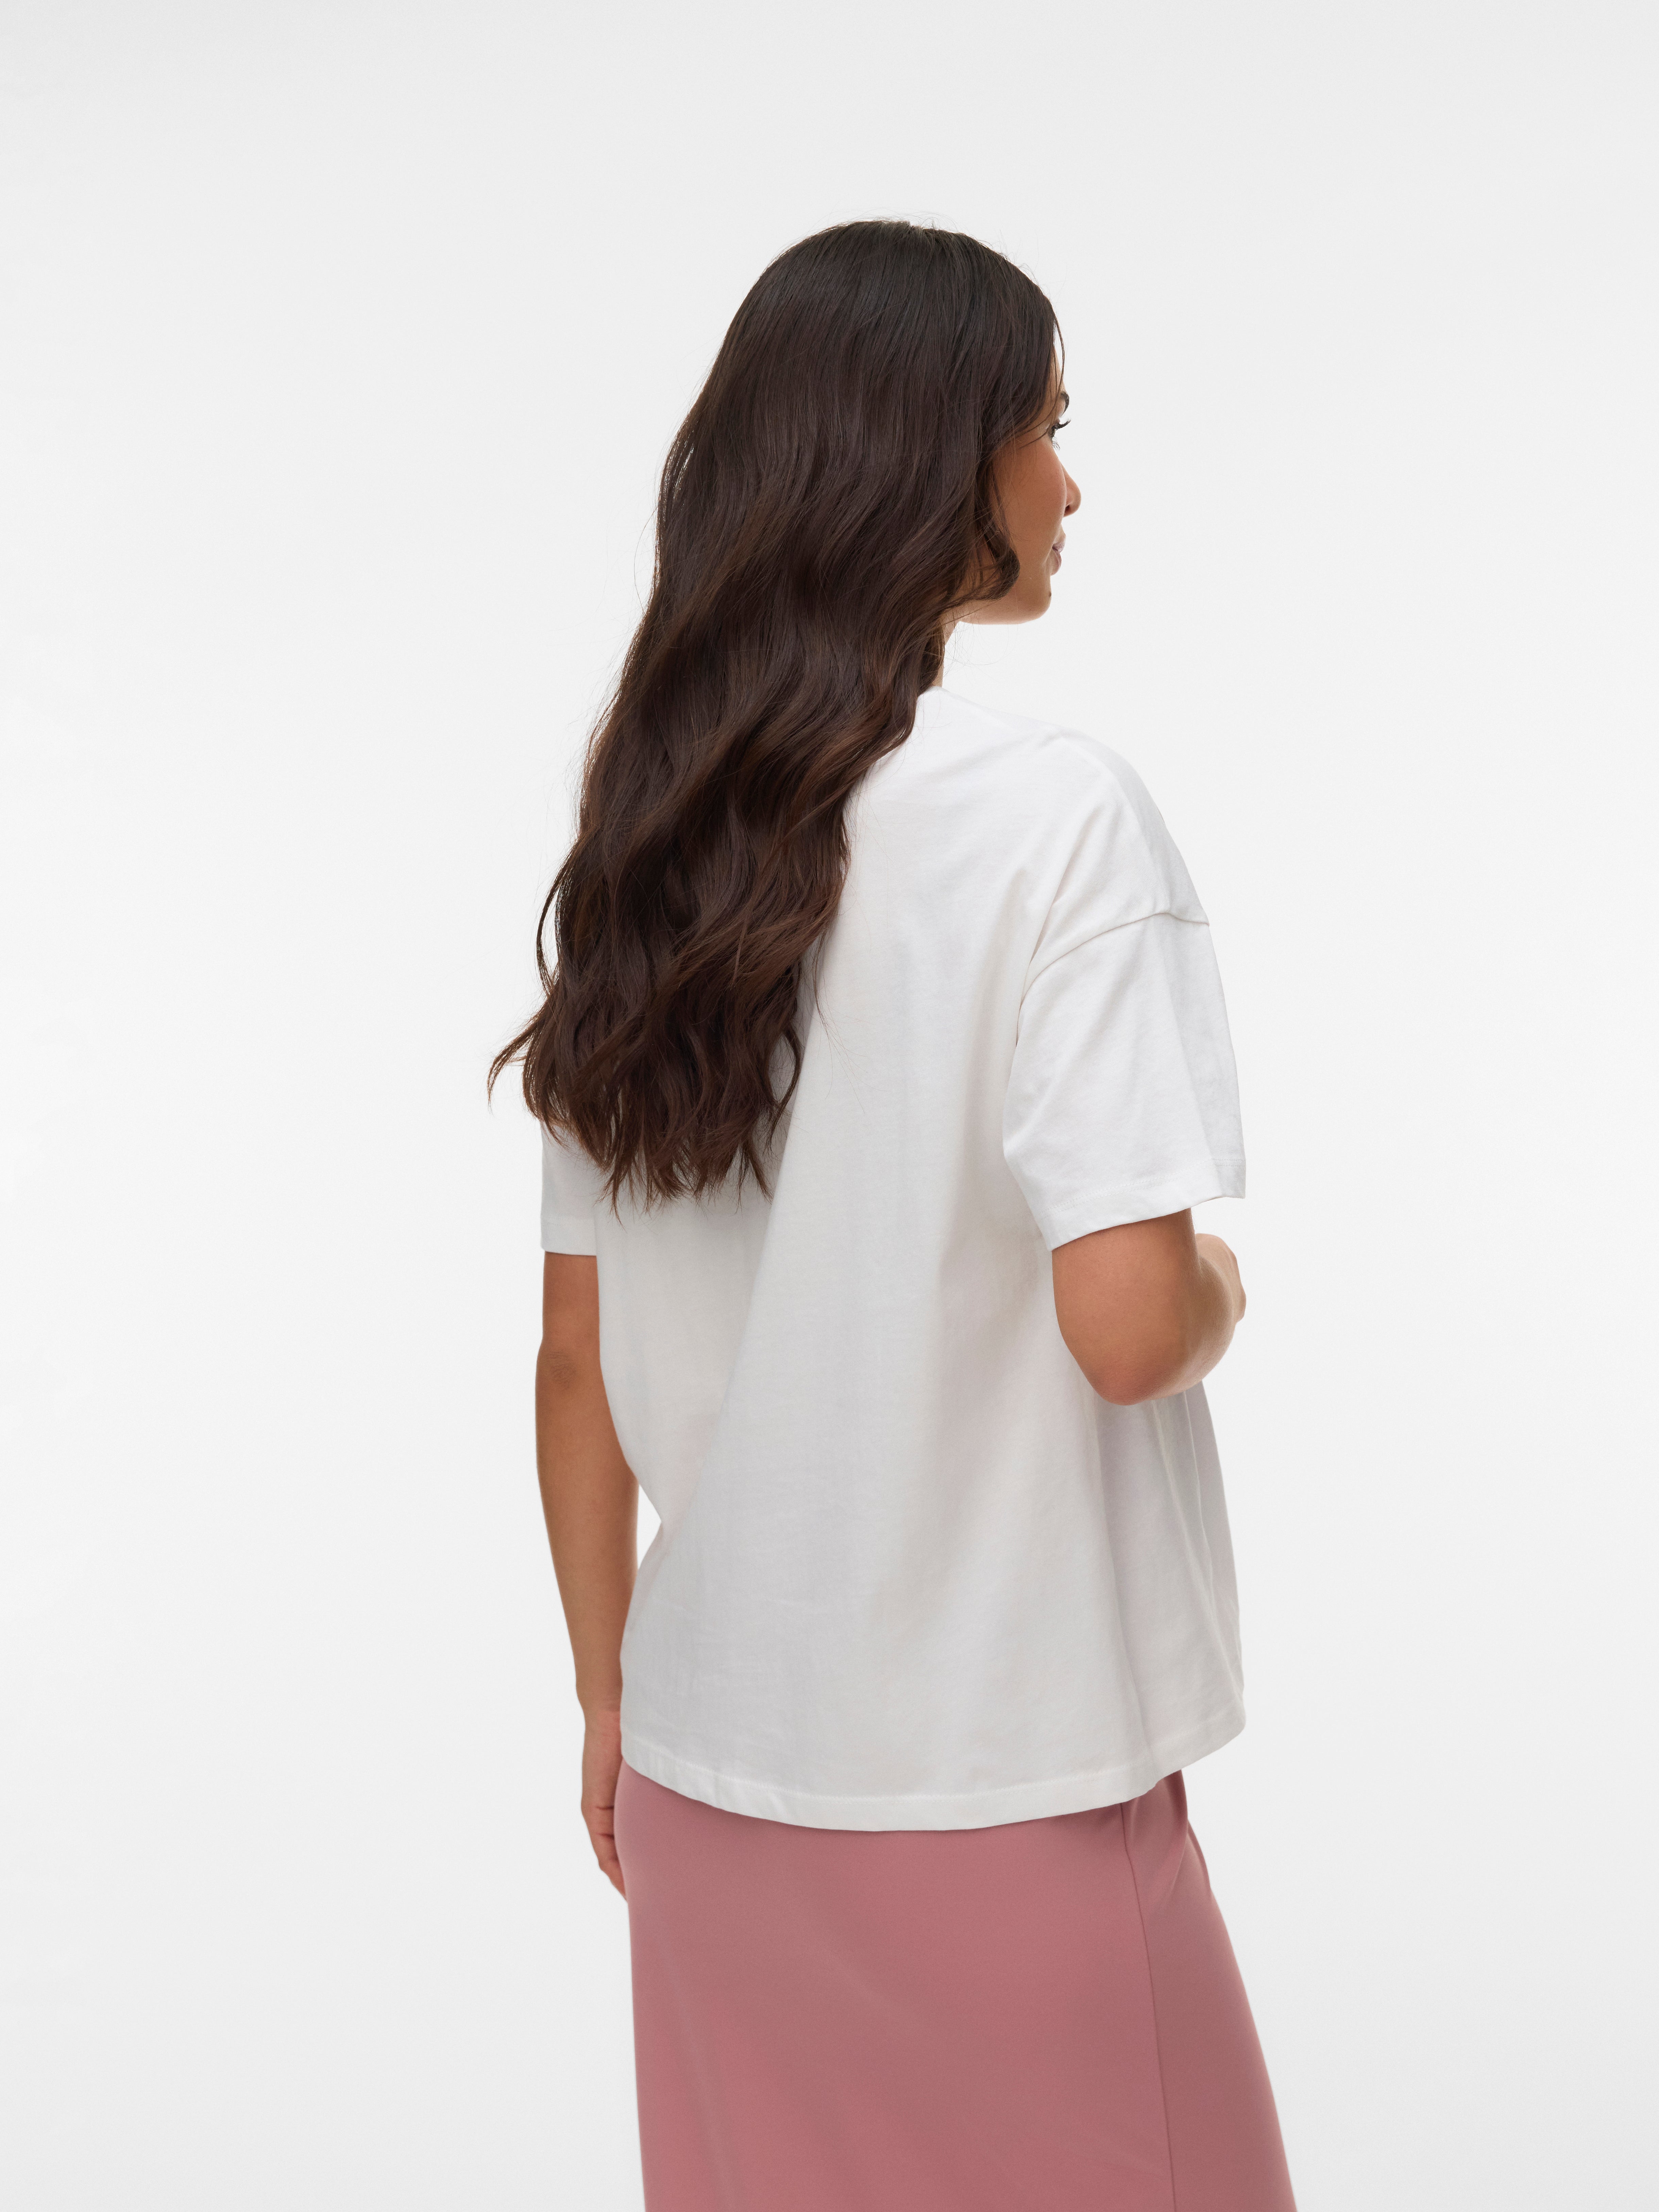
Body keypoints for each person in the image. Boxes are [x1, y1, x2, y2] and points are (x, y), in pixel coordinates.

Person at [494, 219, 1296, 2212]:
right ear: (932, 460)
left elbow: (579, 1356)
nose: (1070, 486)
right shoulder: (1058, 820)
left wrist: (608, 1700)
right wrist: (1220, 1281)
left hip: (711, 1794)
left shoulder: (650, 849)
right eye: (1048, 428)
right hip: (1003, 1795)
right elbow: (1129, 1327)